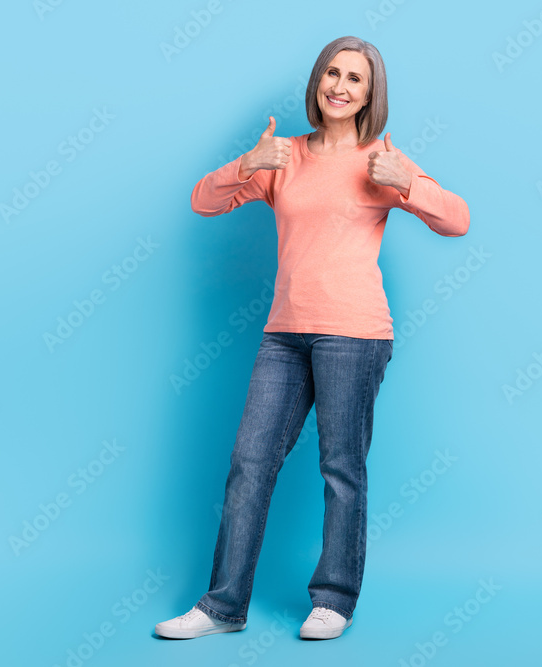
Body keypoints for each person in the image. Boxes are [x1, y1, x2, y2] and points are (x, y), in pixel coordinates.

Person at [155, 35, 470, 641]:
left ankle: (334, 599)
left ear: (370, 94)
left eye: (355, 78)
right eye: (333, 73)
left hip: (354, 335)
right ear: (317, 82)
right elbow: (203, 201)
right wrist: (247, 165)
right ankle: (223, 607)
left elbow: (456, 220)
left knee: (341, 468)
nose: (340, 86)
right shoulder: (286, 158)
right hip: (284, 334)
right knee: (250, 463)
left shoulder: (382, 160)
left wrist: (408, 182)